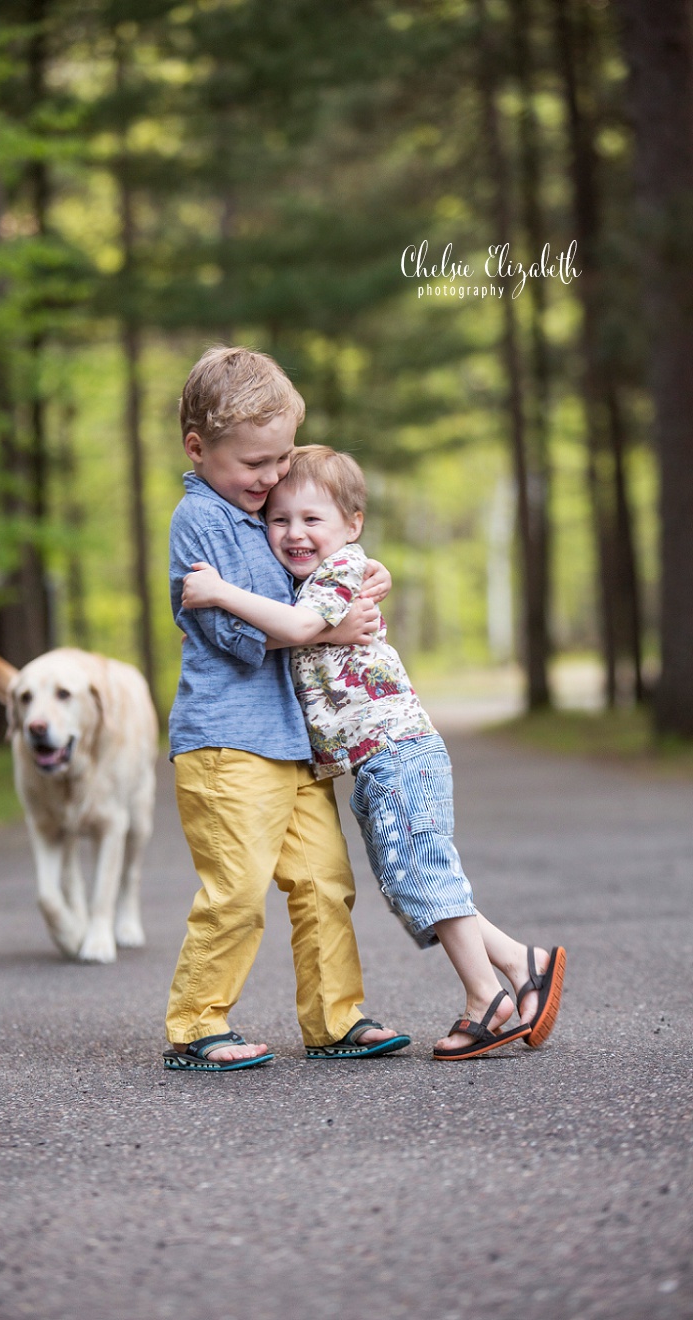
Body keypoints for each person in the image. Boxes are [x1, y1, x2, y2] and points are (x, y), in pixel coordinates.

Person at [182, 444, 566, 1060]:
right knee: (412, 881)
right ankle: (523, 963)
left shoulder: (337, 576)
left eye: (312, 520)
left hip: (396, 751)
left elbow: (300, 628)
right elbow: (301, 616)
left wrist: (220, 592)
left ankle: (485, 1000)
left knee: (423, 876)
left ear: (352, 525)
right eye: (279, 521)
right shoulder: (318, 577)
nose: (294, 533)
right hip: (378, 759)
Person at [163, 348, 411, 1073]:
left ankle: (335, 1019)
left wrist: (362, 571)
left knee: (325, 881)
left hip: (297, 742)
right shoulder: (200, 521)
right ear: (198, 448)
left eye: (279, 461)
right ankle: (196, 1024)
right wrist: (332, 627)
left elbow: (319, 565)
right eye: (255, 464)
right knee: (236, 891)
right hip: (227, 744)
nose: (271, 478)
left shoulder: (263, 509)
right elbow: (238, 636)